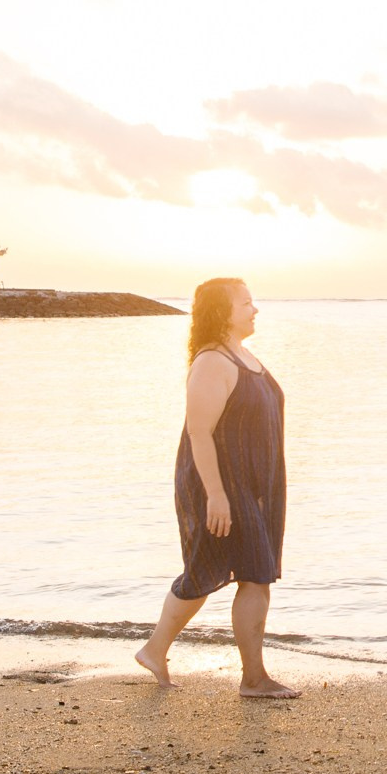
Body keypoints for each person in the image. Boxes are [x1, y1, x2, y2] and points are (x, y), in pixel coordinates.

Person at [134, 277, 299, 698]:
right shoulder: (212, 362)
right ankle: (254, 679)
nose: (255, 309)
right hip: (222, 485)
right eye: (246, 303)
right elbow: (199, 434)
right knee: (249, 575)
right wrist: (218, 495)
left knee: (215, 571)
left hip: (254, 484)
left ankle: (155, 650)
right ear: (223, 312)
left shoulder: (240, 355)